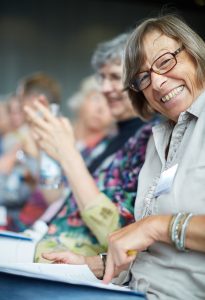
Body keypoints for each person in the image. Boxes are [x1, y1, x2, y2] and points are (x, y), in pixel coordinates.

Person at [43, 14, 205, 300]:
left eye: (166, 61)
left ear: (193, 52)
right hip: (132, 290)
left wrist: (156, 227)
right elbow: (147, 250)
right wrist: (94, 264)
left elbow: (137, 229)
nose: (156, 83)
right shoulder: (159, 138)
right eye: (143, 77)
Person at [24, 32, 155, 260]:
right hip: (42, 246)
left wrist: (67, 154)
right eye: (101, 78)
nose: (104, 88)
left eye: (114, 77)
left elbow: (119, 235)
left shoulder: (148, 138)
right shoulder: (108, 140)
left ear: (139, 78)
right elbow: (53, 198)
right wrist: (48, 154)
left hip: (73, 271)